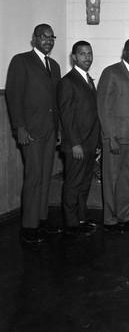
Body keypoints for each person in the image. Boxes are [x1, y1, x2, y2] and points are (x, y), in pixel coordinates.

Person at [6, 24, 63, 244]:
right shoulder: (21, 61)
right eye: (43, 37)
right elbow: (13, 95)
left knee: (45, 174)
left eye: (51, 37)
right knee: (34, 175)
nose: (48, 41)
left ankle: (41, 219)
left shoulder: (55, 65)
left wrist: (58, 129)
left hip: (50, 129)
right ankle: (29, 226)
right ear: (34, 39)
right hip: (30, 130)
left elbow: (55, 101)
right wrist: (19, 127)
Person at [97, 39, 129, 233]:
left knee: (128, 179)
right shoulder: (111, 72)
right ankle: (110, 220)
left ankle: (124, 215)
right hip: (116, 138)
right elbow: (103, 106)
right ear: (124, 52)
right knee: (111, 180)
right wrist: (111, 136)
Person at [57, 41, 100, 237]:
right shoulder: (68, 81)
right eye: (82, 54)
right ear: (74, 57)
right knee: (73, 184)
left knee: (84, 183)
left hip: (90, 143)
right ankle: (72, 223)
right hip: (77, 145)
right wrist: (75, 143)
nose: (87, 57)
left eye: (89, 53)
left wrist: (96, 141)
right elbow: (67, 116)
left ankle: (82, 218)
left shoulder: (88, 79)